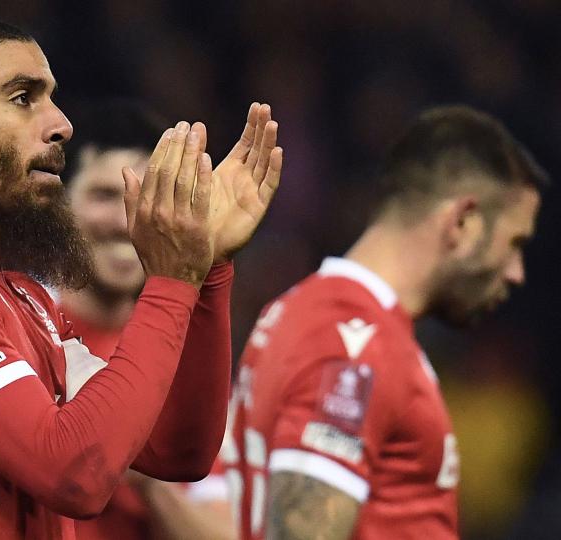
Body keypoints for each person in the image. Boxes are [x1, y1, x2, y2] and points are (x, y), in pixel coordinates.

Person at [0, 18, 283, 539]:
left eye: (52, 98)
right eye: (23, 98)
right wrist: (172, 281)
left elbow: (177, 449)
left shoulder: (25, 295)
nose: (60, 123)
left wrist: (206, 271)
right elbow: (74, 474)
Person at [227, 105, 547, 539]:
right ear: (463, 222)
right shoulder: (354, 341)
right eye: (514, 243)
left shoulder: (310, 313)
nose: (516, 271)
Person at [59, 99, 237, 540]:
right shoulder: (15, 330)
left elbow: (222, 532)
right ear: (58, 206)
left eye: (147, 200)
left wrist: (143, 468)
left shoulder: (189, 360)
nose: (127, 223)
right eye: (104, 196)